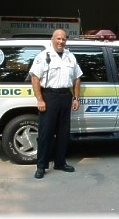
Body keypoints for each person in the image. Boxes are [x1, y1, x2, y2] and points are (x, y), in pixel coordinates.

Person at [29, 29, 83, 179]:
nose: (61, 42)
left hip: (66, 96)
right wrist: (40, 99)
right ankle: (41, 166)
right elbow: (35, 78)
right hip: (49, 96)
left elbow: (77, 78)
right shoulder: (43, 56)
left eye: (63, 39)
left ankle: (60, 162)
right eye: (58, 39)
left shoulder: (70, 56)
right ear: (52, 39)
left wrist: (76, 98)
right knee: (45, 134)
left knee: (63, 133)